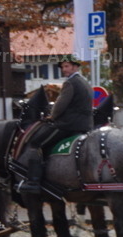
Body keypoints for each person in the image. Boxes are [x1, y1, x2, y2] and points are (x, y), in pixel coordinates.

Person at [18, 54, 93, 193]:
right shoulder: (86, 83)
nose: (64, 69)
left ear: (75, 67)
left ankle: (33, 181)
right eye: (63, 67)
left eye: (67, 66)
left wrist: (52, 116)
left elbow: (60, 105)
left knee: (36, 143)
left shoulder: (70, 83)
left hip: (68, 125)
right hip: (86, 126)